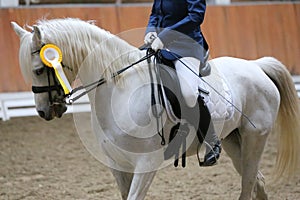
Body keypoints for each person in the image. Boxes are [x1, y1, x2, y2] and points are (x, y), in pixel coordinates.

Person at [144, 0, 221, 166]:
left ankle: (211, 140)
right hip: (160, 46)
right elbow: (156, 13)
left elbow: (195, 17)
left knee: (188, 93)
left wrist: (165, 36)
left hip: (187, 46)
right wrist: (150, 31)